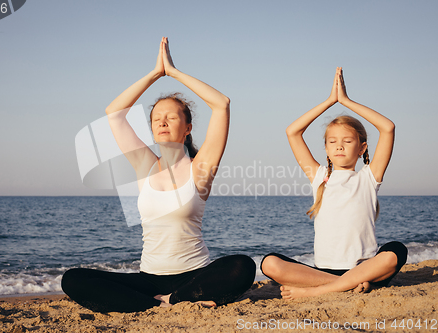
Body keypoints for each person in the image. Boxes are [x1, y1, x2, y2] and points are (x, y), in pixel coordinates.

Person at [61, 37, 256, 313]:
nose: (163, 121)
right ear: (152, 128)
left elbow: (221, 104)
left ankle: (173, 300)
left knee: (243, 266)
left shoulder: (200, 168)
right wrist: (155, 73)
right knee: (73, 279)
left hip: (194, 276)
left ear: (188, 127)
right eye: (156, 118)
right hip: (149, 279)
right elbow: (113, 114)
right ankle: (162, 302)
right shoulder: (144, 165)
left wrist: (173, 72)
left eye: (172, 117)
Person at [261, 67, 407, 300]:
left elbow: (387, 127)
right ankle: (346, 284)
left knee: (395, 252)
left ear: (361, 148)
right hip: (325, 271)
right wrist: (330, 101)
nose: (339, 146)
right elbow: (293, 132)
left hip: (364, 268)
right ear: (327, 149)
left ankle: (321, 290)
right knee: (269, 263)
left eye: (348, 141)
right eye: (333, 141)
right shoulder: (319, 177)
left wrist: (346, 101)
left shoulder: (368, 177)